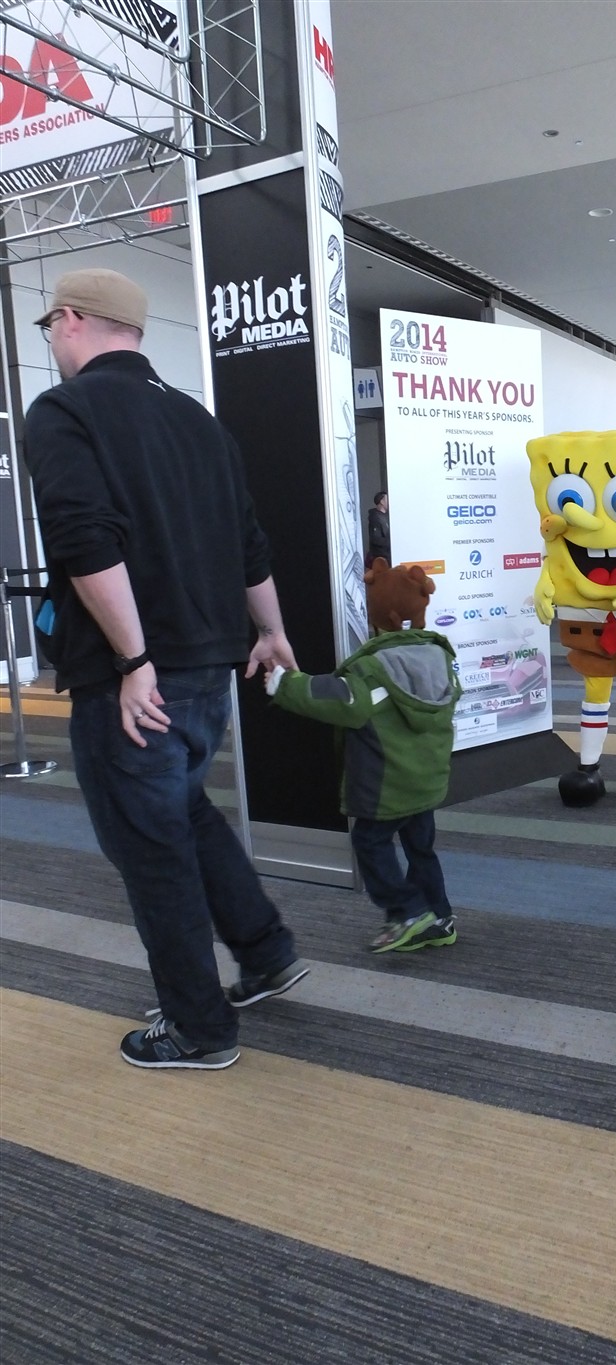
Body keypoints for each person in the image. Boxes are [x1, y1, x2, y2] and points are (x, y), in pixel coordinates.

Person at [23, 268, 308, 1071]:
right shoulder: (197, 420)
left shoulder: (64, 411)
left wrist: (133, 659)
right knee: (184, 811)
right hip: (211, 664)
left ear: (71, 319)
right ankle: (266, 951)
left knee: (150, 846)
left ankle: (198, 1027)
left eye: (50, 327)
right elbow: (249, 543)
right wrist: (273, 630)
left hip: (134, 679)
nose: (51, 341)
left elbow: (86, 539)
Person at [265, 558, 461, 953]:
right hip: (425, 779)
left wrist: (285, 684)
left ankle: (408, 912)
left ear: (380, 616)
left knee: (370, 842)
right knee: (420, 847)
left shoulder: (374, 669)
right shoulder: (439, 658)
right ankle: (439, 918)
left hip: (388, 784)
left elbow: (341, 700)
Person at [366, 490, 391, 565]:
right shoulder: (375, 518)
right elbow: (375, 539)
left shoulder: (386, 517)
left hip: (387, 557)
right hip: (381, 559)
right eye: (387, 499)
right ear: (382, 502)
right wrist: (391, 542)